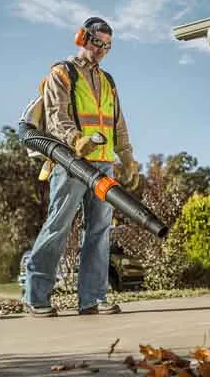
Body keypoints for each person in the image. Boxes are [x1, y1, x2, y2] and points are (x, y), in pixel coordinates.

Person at [24, 17, 139, 317]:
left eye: (108, 46)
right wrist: (77, 140)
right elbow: (55, 116)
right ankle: (36, 297)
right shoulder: (62, 73)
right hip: (71, 162)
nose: (102, 50)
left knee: (100, 231)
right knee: (58, 226)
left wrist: (127, 157)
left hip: (103, 165)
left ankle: (92, 298)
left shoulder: (108, 81)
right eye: (98, 42)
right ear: (82, 38)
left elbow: (118, 124)